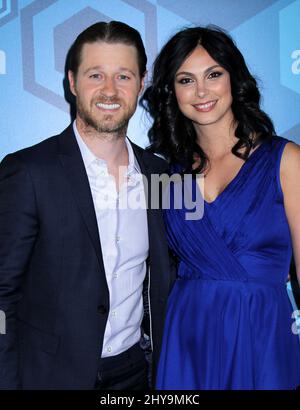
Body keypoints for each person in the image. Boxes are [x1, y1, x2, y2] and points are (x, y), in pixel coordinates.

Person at [0, 21, 174, 390]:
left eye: (123, 76)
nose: (109, 90)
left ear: (141, 83)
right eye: (96, 75)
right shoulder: (28, 172)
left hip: (136, 375)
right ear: (72, 82)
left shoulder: (159, 174)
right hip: (48, 378)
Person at [142, 25, 300, 389]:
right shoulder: (167, 175)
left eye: (213, 74)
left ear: (235, 79)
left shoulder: (285, 159)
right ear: (171, 92)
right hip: (187, 335)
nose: (201, 91)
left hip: (262, 329)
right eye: (186, 79)